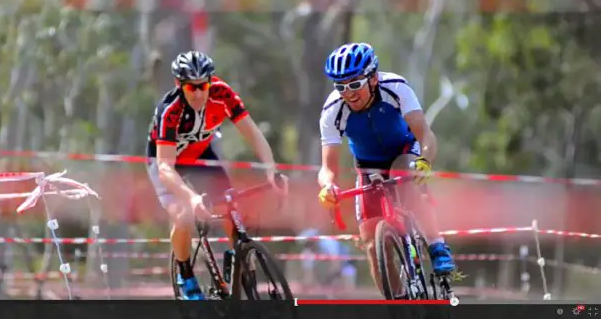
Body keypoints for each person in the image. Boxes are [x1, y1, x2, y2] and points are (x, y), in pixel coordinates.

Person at [316, 42, 456, 298]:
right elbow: (328, 167)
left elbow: (424, 133)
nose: (348, 93)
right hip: (368, 166)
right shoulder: (332, 109)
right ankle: (399, 302)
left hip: (404, 151)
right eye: (340, 86)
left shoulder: (396, 87)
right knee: (371, 245)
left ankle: (437, 245)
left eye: (355, 83)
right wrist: (327, 186)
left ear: (373, 78)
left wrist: (424, 160)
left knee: (402, 172)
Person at [146, 50, 286, 300]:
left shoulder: (223, 94)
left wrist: (271, 171)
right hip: (168, 162)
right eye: (192, 87)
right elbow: (165, 168)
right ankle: (185, 273)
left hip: (201, 156)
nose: (199, 93)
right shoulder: (170, 110)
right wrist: (191, 199)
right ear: (179, 84)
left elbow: (253, 134)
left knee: (233, 209)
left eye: (204, 85)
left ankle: (236, 264)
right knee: (184, 215)